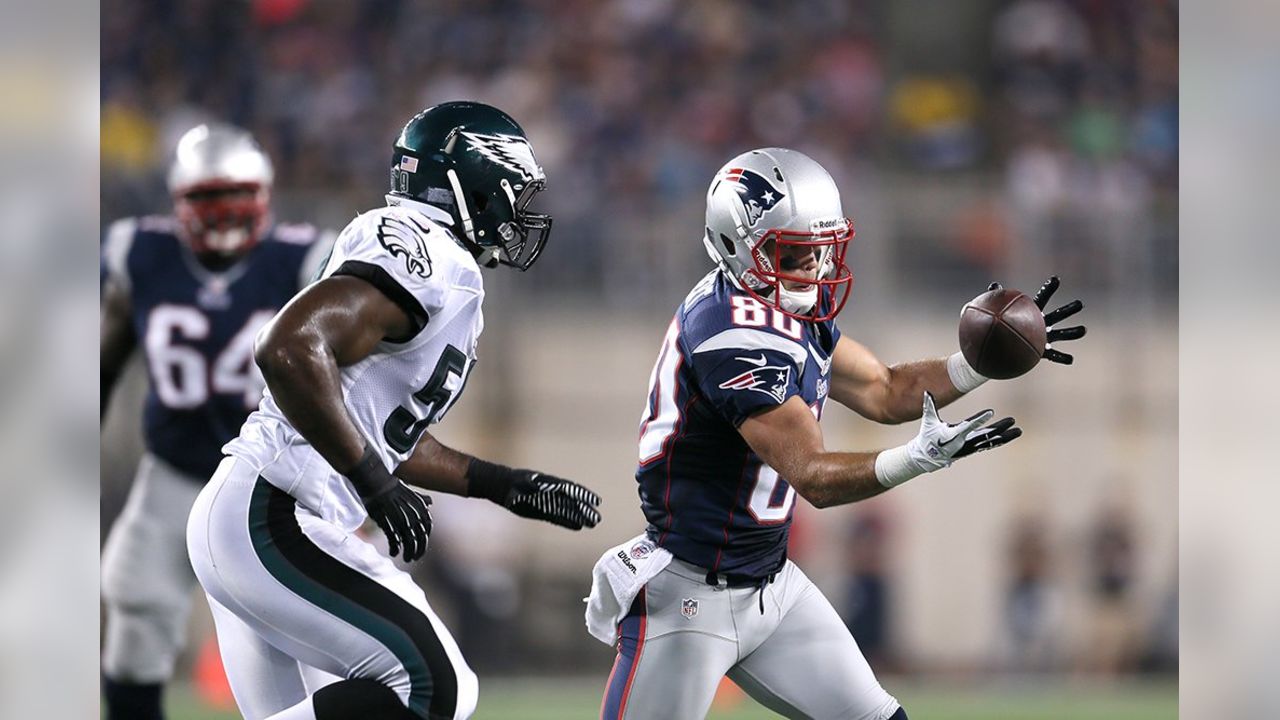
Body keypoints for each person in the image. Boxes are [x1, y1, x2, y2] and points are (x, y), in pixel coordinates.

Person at [586, 147, 1086, 720]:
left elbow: (885, 389)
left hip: (770, 584)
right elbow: (812, 476)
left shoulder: (789, 299)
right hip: (689, 595)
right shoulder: (732, 333)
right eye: (796, 253)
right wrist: (915, 459)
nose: (816, 270)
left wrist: (980, 362)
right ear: (737, 246)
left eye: (823, 251)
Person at [186, 101, 602, 720]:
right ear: (472, 186)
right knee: (439, 685)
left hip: (258, 517)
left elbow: (381, 430)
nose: (519, 213)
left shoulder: (433, 266)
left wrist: (500, 484)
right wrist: (373, 484)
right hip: (271, 516)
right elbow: (289, 348)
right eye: (513, 193)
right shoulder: (431, 257)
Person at [100, 122, 333, 720]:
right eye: (205, 195)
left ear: (265, 194)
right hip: (174, 473)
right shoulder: (143, 256)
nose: (222, 208)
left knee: (308, 634)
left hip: (274, 479)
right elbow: (102, 361)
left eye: (236, 191)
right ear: (178, 198)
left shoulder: (303, 261)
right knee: (136, 605)